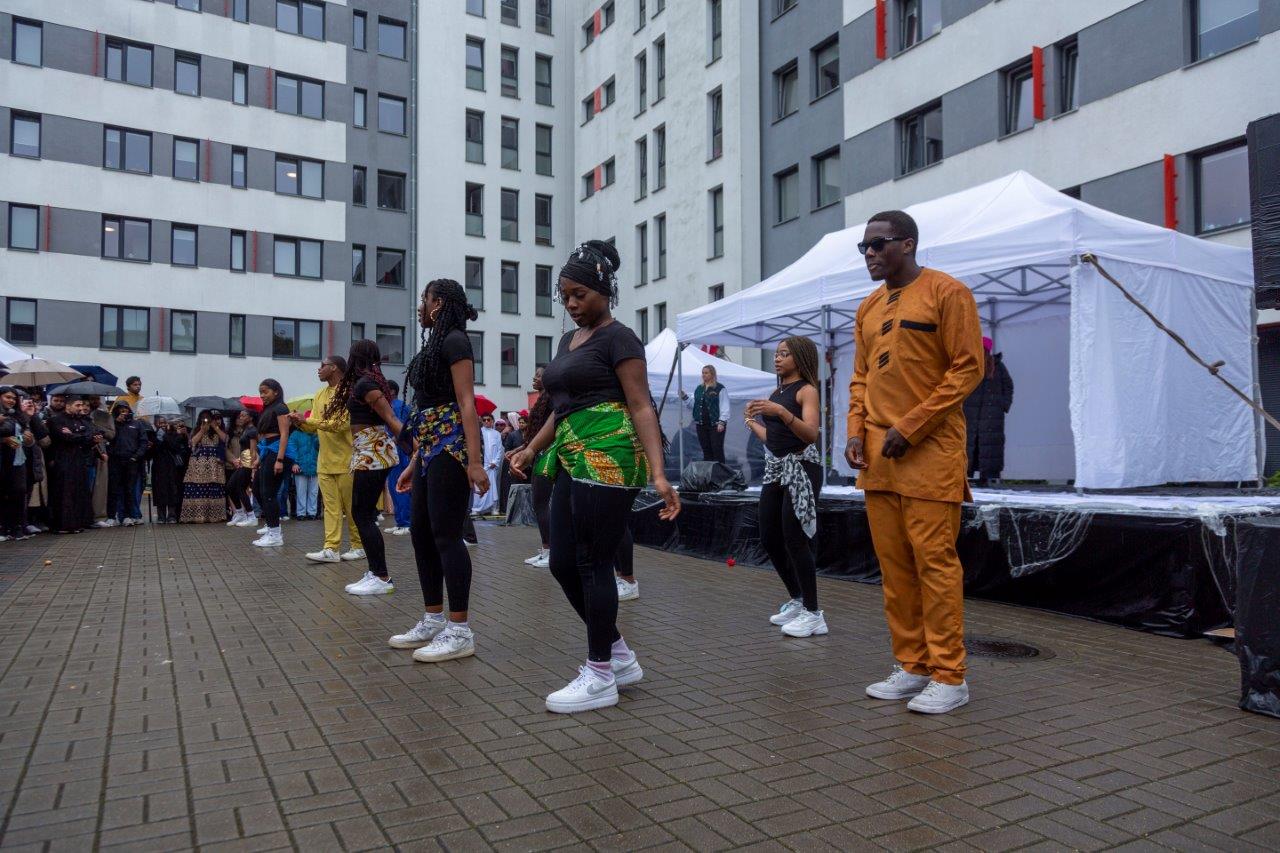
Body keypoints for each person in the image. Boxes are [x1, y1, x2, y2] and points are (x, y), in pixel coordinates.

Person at [508, 240, 679, 714]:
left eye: (579, 294)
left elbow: (641, 405)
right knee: (563, 562)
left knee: (591, 561)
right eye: (564, 296)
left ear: (604, 290)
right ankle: (618, 655)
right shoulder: (568, 342)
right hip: (571, 452)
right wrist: (531, 447)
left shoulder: (621, 339)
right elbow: (562, 408)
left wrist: (659, 474)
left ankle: (600, 674)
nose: (571, 303)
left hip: (610, 453)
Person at [845, 210, 983, 715]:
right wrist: (855, 431)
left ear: (907, 243)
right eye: (864, 247)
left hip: (930, 453)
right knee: (895, 569)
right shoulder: (867, 307)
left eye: (878, 244)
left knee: (935, 565)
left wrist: (912, 426)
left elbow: (968, 368)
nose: (869, 254)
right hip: (878, 459)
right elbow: (861, 378)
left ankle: (950, 675)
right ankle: (913, 664)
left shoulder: (948, 293)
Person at [388, 278, 488, 662]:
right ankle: (433, 619)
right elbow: (426, 410)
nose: (420, 306)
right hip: (429, 449)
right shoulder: (436, 343)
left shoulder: (456, 341)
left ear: (439, 303)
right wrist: (414, 462)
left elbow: (466, 403)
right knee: (421, 533)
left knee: (446, 535)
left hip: (452, 447)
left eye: (424, 300)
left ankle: (460, 631)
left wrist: (475, 462)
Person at [744, 337, 825, 637]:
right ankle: (798, 598)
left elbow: (811, 434)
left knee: (795, 539)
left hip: (802, 468)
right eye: (776, 354)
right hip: (776, 469)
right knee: (769, 536)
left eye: (784, 354)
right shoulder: (776, 392)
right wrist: (751, 421)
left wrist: (780, 412)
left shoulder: (807, 390)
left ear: (799, 357)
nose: (777, 358)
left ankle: (814, 613)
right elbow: (773, 439)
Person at [326, 340, 404, 595]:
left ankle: (381, 576)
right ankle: (376, 572)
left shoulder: (366, 384)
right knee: (363, 514)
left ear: (355, 357)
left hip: (373, 452)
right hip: (368, 450)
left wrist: (417, 450)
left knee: (362, 515)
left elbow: (391, 419)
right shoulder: (365, 382)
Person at [291, 356, 365, 563]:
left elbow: (340, 424)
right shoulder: (320, 394)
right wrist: (300, 422)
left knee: (351, 507)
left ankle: (359, 546)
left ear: (334, 368)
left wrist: (309, 420)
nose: (319, 369)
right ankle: (331, 548)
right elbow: (313, 427)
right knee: (330, 508)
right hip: (324, 462)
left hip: (347, 460)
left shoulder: (348, 392)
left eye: (323, 366)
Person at [963, 336, 1014, 486]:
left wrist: (1003, 405)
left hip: (992, 415)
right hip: (971, 414)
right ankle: (966, 475)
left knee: (989, 446)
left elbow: (1009, 386)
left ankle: (987, 478)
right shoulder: (970, 365)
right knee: (970, 443)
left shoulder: (998, 366)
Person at [250, 380, 292, 547]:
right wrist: (259, 459)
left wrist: (279, 460)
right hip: (269, 451)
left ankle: (275, 534)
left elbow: (284, 434)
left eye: (265, 391)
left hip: (278, 452)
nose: (262, 395)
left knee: (269, 493)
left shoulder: (281, 408)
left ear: (276, 392)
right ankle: (271, 525)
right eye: (260, 392)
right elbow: (264, 438)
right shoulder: (267, 409)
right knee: (257, 489)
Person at [48, 398, 96, 534]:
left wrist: (75, 435)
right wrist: (79, 436)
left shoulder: (82, 420)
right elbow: (64, 437)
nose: (80, 408)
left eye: (82, 405)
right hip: (62, 460)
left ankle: (77, 523)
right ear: (68, 406)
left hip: (79, 460)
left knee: (78, 491)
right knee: (64, 492)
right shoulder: (56, 420)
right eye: (77, 405)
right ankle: (62, 524)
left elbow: (89, 436)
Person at [521, 368, 553, 568]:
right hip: (539, 454)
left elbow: (546, 433)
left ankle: (551, 551)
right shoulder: (541, 400)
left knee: (541, 504)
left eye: (539, 375)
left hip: (547, 455)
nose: (534, 378)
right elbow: (535, 435)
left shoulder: (551, 400)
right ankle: (546, 549)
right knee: (538, 504)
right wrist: (520, 449)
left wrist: (529, 449)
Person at [181, 410, 229, 523]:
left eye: (208, 418)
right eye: (204, 418)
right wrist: (202, 430)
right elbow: (192, 443)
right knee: (198, 488)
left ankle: (214, 516)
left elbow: (226, 439)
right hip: (198, 464)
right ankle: (198, 516)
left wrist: (215, 427)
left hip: (214, 465)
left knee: (213, 488)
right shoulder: (196, 429)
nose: (206, 420)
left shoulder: (217, 429)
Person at [0, 387, 34, 540]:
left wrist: (27, 438)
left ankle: (17, 527)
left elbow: (20, 439)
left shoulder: (18, 416)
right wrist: (4, 440)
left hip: (18, 459)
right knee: (4, 494)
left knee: (19, 492)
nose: (11, 401)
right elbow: (6, 437)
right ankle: (3, 528)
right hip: (4, 459)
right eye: (8, 397)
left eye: (14, 398)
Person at [106, 401, 146, 526]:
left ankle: (128, 516)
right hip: (115, 461)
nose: (123, 411)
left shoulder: (137, 424)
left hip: (131, 461)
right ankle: (111, 516)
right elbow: (109, 438)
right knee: (113, 489)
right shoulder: (112, 423)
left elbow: (143, 442)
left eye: (125, 409)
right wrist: (117, 423)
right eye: (120, 409)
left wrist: (136, 457)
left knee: (129, 489)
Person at [682, 365, 731, 464]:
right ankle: (709, 472)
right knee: (706, 450)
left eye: (706, 373)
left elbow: (725, 406)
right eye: (703, 373)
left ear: (712, 374)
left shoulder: (719, 388)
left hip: (715, 424)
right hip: (701, 424)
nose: (703, 375)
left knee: (717, 449)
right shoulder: (699, 389)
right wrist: (685, 397)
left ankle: (720, 472)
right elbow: (694, 405)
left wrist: (722, 422)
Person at [382, 380, 412, 535]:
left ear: (392, 391)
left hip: (399, 450)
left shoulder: (398, 406)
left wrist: (392, 441)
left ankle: (407, 523)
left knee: (401, 485)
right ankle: (400, 521)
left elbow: (402, 428)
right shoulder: (389, 405)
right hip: (391, 449)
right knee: (394, 486)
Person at [149, 417, 187, 524]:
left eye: (165, 423)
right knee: (159, 491)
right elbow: (153, 451)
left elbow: (174, 447)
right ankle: (161, 516)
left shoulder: (173, 434)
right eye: (160, 423)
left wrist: (166, 436)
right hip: (158, 467)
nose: (163, 425)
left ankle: (172, 515)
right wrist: (155, 441)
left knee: (172, 491)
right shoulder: (153, 435)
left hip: (171, 467)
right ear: (156, 424)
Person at [225, 411, 257, 526]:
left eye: (244, 416)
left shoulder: (253, 430)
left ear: (251, 418)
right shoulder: (246, 430)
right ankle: (240, 513)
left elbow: (253, 450)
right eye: (240, 416)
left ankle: (251, 516)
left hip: (248, 464)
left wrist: (253, 467)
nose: (241, 418)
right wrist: (239, 459)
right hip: (242, 462)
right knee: (230, 487)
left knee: (241, 488)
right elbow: (244, 449)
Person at [88, 396, 116, 528]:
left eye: (97, 398)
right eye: (91, 399)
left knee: (99, 487)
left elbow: (111, 434)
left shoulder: (105, 416)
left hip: (100, 453)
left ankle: (98, 516)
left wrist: (98, 428)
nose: (95, 401)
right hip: (83, 454)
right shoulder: (80, 415)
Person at [471, 413, 502, 516]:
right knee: (478, 485)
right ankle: (476, 508)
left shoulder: (497, 434)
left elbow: (499, 450)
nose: (486, 422)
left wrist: (495, 462)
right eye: (484, 420)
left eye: (488, 420)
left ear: (492, 421)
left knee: (493, 487)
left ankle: (493, 508)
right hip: (481, 465)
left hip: (492, 465)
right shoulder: (479, 432)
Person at [290, 421, 320, 520]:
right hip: (301, 466)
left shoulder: (316, 434)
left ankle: (312, 513)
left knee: (313, 491)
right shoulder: (295, 434)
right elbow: (291, 448)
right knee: (301, 491)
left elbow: (320, 448)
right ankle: (301, 513)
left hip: (315, 465)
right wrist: (294, 462)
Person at [498, 415, 524, 517]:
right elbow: (507, 449)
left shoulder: (526, 433)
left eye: (523, 422)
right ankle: (507, 508)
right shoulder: (512, 434)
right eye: (519, 422)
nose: (521, 424)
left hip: (523, 463)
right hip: (510, 462)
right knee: (509, 485)